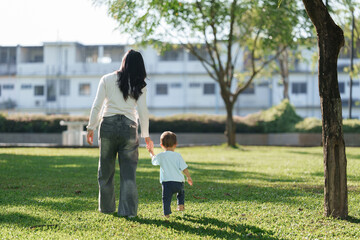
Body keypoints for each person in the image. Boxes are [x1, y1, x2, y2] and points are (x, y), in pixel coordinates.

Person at [86, 49, 154, 217]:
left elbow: (97, 106)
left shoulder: (107, 79)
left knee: (106, 171)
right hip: (129, 128)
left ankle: (107, 209)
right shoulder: (140, 84)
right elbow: (143, 111)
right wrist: (146, 136)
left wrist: (91, 127)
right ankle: (128, 212)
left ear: (124, 62)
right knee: (128, 174)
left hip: (108, 126)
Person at [148, 131, 193, 218]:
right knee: (181, 192)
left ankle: (167, 214)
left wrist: (151, 151)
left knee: (166, 199)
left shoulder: (161, 156)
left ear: (161, 144)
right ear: (176, 144)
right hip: (179, 183)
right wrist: (188, 177)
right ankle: (180, 205)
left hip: (167, 183)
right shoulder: (178, 156)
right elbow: (184, 168)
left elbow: (154, 160)